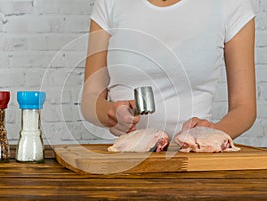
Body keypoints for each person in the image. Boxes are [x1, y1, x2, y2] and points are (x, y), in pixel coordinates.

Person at [81, 0, 256, 139]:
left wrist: (211, 135)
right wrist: (110, 114)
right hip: (125, 159)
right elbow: (90, 98)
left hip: (194, 161)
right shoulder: (109, 3)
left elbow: (244, 107)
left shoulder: (231, 4)